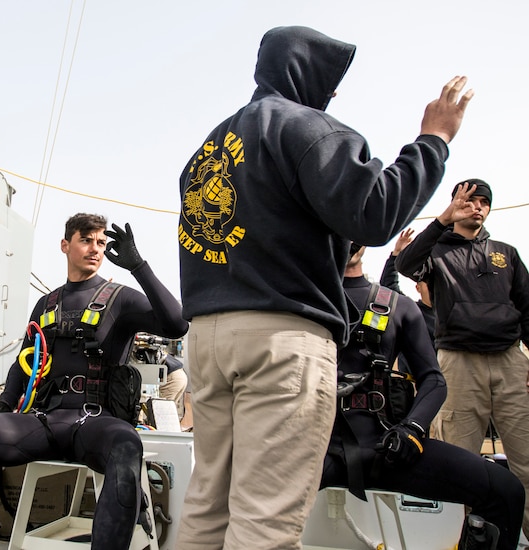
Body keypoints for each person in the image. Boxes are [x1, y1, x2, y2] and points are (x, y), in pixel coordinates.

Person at [175, 25, 473, 549]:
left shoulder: (208, 148)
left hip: (206, 337)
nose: (333, 93)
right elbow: (374, 214)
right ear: (305, 75)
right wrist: (434, 140)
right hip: (281, 341)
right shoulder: (310, 129)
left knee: (207, 507)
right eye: (329, 81)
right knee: (265, 520)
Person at [0, 213, 189, 550]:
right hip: (44, 421)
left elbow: (176, 323)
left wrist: (138, 266)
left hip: (96, 423)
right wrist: (4, 407)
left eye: (101, 242)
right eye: (86, 240)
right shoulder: (46, 304)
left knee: (127, 446)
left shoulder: (120, 299)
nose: (95, 249)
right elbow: (24, 364)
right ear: (66, 245)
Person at [322, 245, 524, 550]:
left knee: (506, 489)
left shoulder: (400, 307)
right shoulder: (299, 302)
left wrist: (412, 428)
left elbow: (433, 379)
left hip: (388, 448)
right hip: (316, 451)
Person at [396, 179, 529, 535]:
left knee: (527, 460)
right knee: (462, 465)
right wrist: (442, 219)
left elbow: (527, 307)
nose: (478, 207)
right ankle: (466, 540)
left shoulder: (507, 252)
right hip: (459, 362)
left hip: (509, 360)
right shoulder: (437, 252)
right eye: (470, 200)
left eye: (484, 201)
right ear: (456, 203)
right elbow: (406, 264)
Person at [379, 229, 437, 373]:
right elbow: (389, 287)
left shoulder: (453, 313)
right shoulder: (413, 312)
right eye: (428, 283)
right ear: (418, 287)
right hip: (419, 381)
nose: (433, 287)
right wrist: (396, 254)